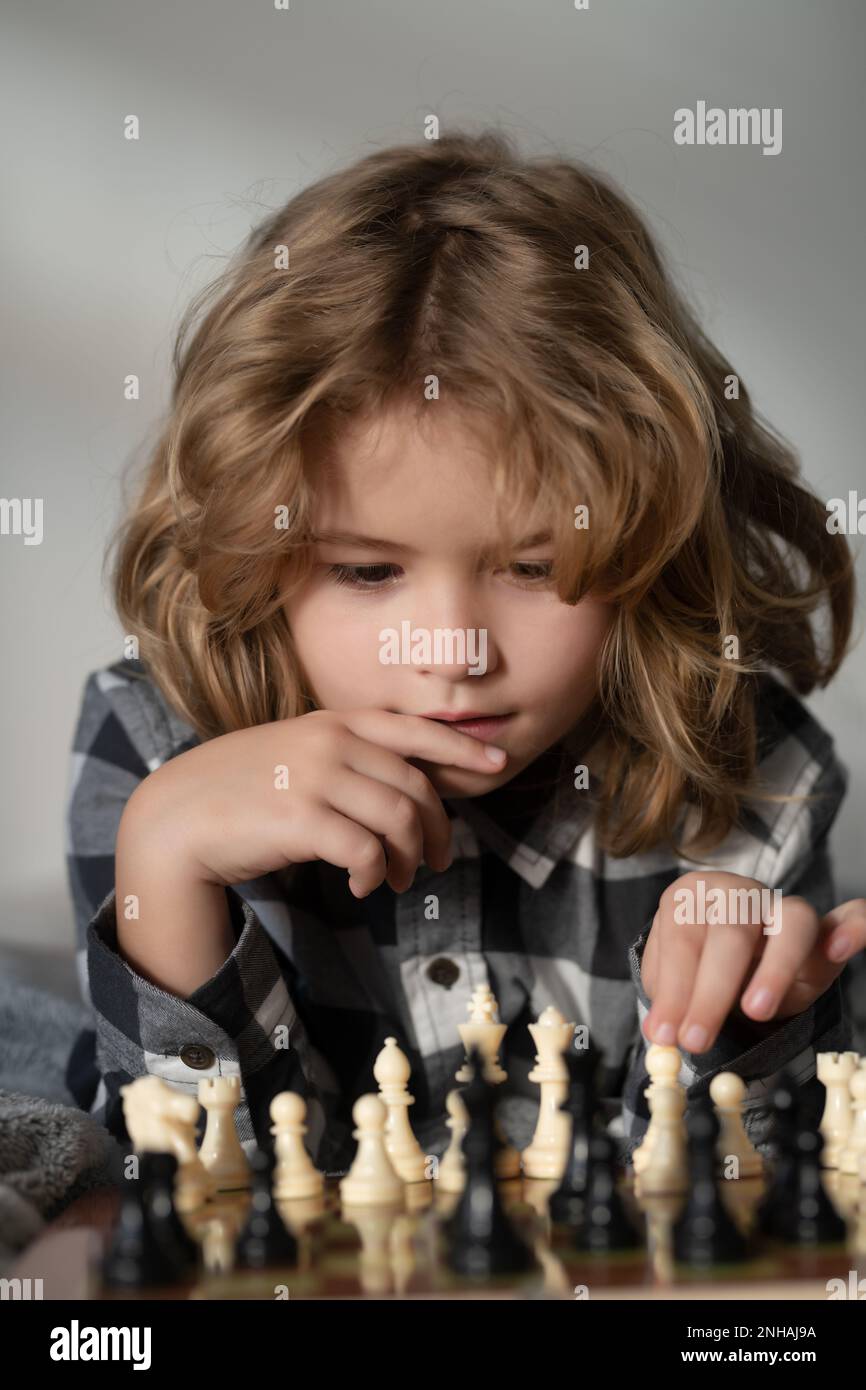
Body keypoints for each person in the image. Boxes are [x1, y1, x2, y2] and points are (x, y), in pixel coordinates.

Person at [65, 129, 862, 1171]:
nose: (451, 651)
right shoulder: (150, 746)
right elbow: (171, 1190)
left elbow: (732, 1212)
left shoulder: (752, 774)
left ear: (650, 541)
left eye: (531, 568)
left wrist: (746, 1009)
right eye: (365, 572)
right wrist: (163, 858)